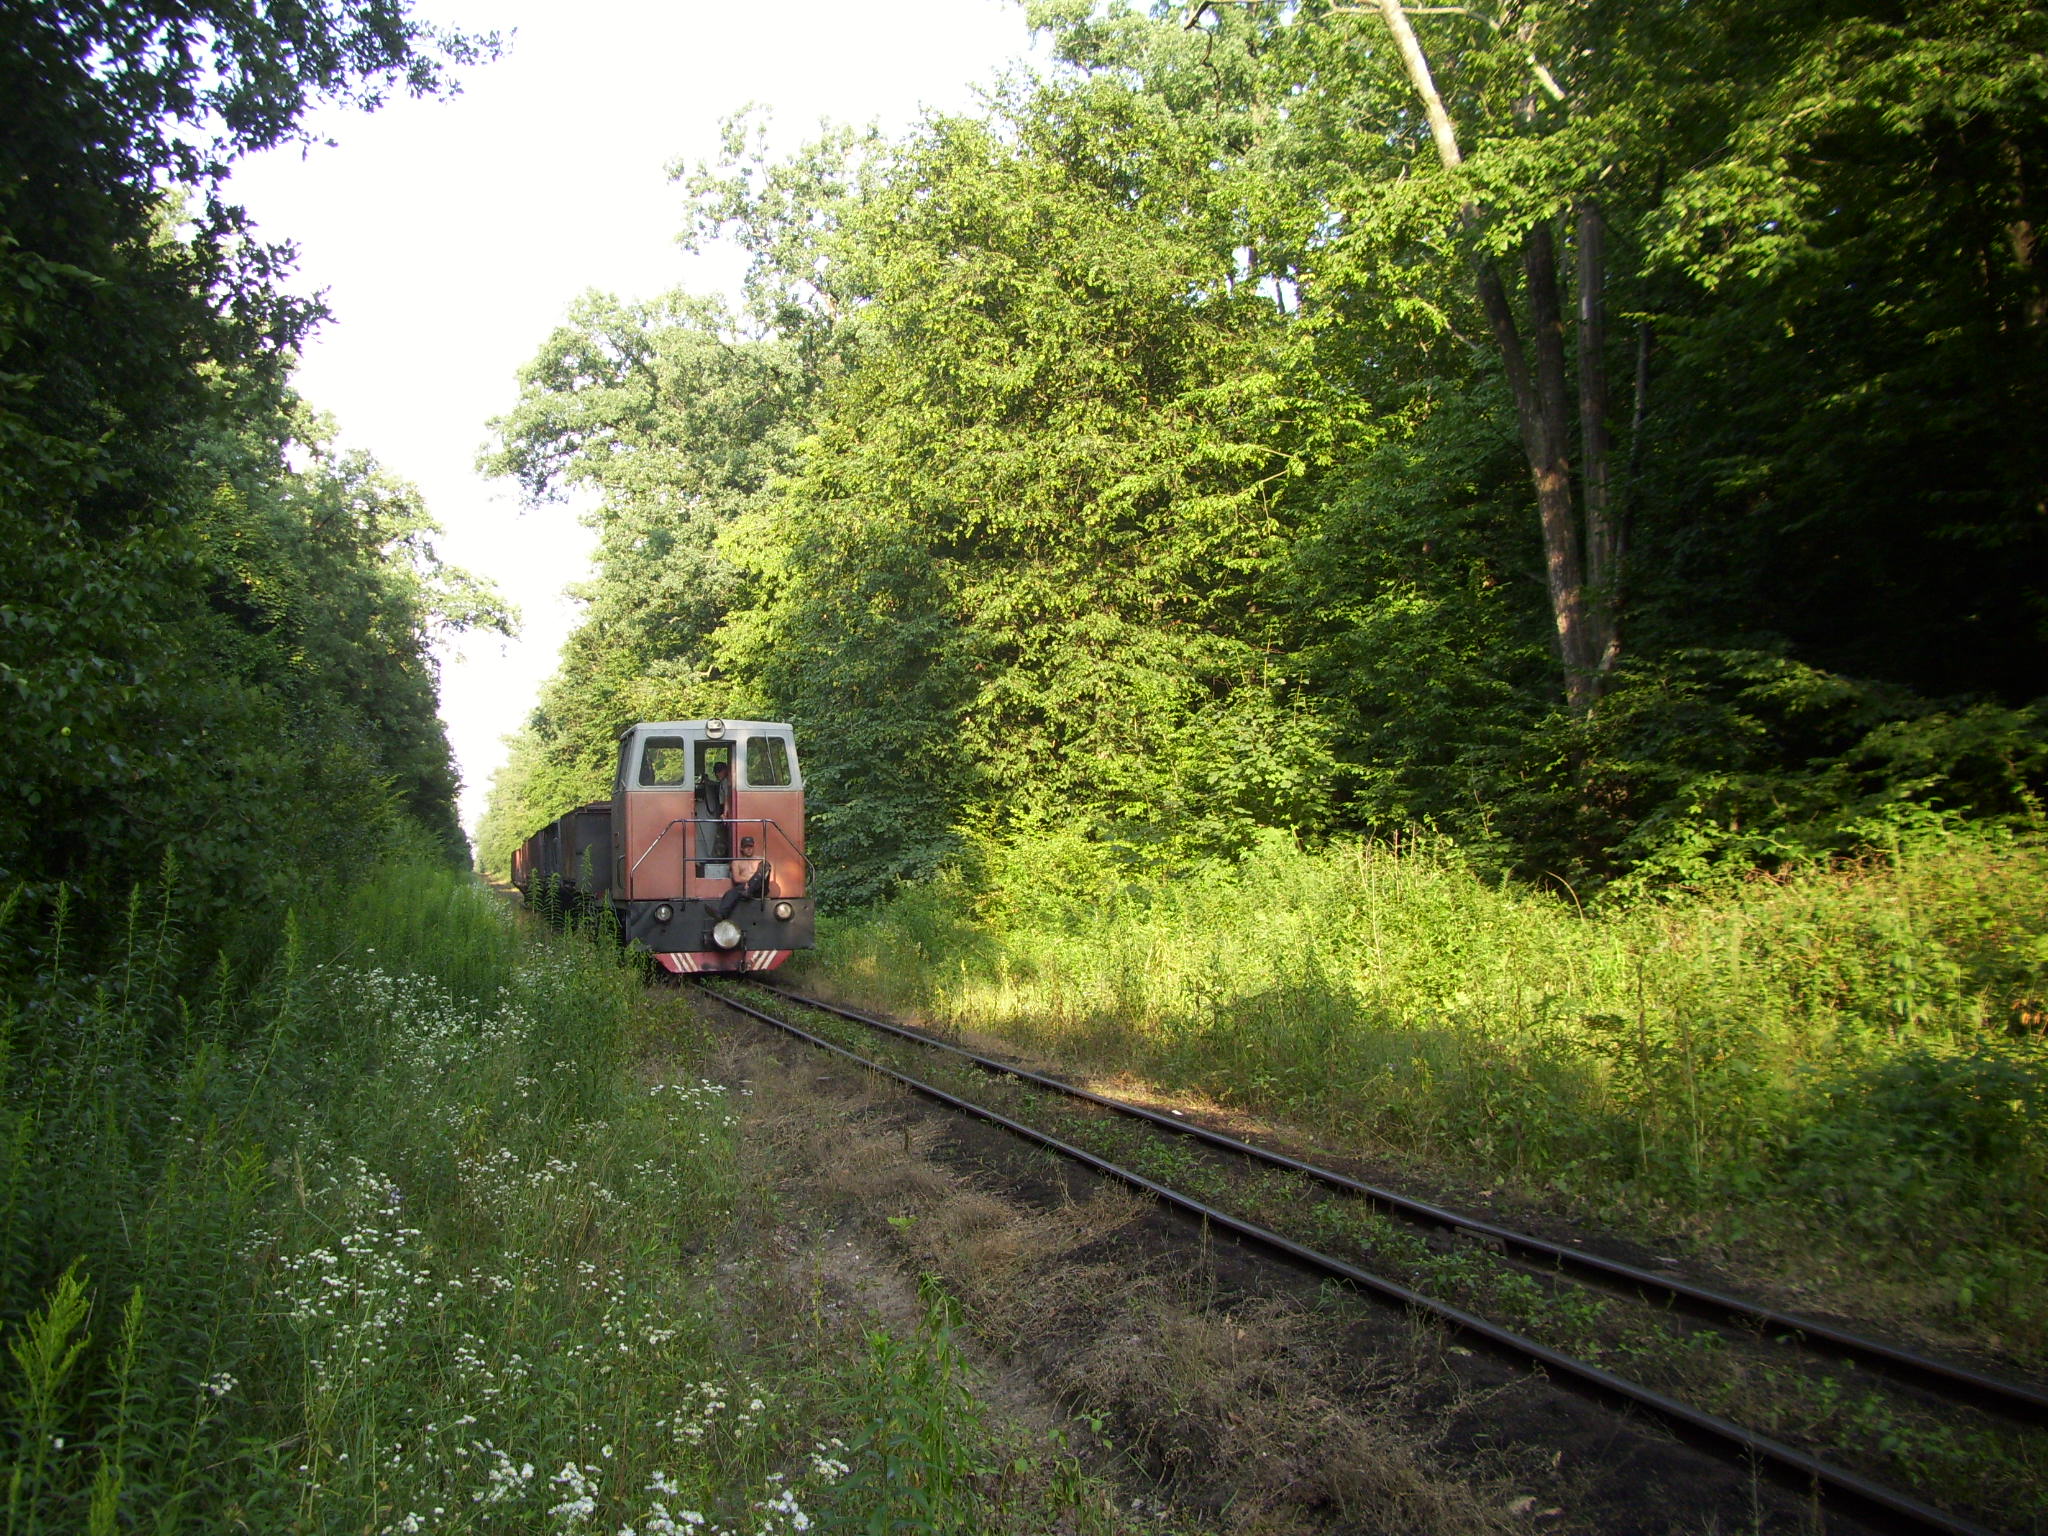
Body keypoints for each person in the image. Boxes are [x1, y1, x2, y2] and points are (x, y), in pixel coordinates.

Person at [695, 758, 732, 860]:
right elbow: (716, 785)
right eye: (716, 772)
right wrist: (706, 780)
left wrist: (724, 813)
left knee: (721, 836)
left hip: (724, 811)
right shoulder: (723, 782)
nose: (717, 774)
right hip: (722, 809)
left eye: (719, 771)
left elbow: (726, 798)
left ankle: (720, 856)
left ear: (725, 770)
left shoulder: (726, 782)